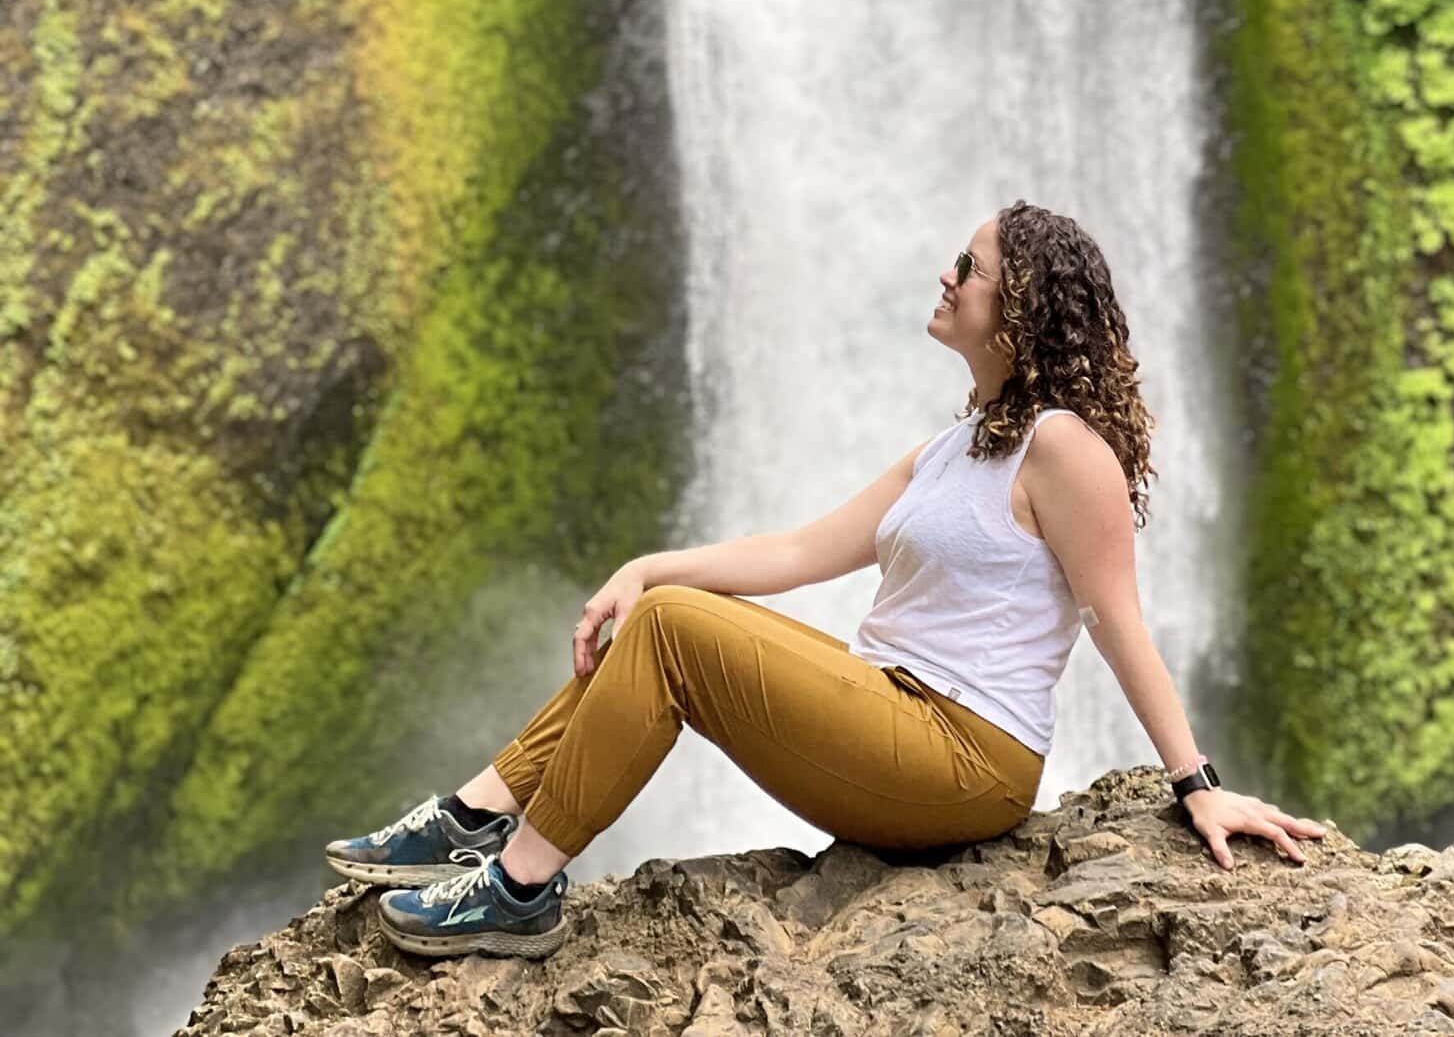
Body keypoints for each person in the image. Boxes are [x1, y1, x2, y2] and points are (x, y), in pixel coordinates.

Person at [327, 200, 1326, 960]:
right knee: (663, 615)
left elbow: (1120, 621)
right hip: (889, 716)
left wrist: (1198, 787)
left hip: (964, 757)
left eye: (968, 269)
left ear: (1014, 311)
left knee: (674, 629)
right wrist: (645, 565)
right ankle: (474, 814)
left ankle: (519, 887)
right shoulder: (956, 448)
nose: (947, 276)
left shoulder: (1064, 449)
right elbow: (800, 552)